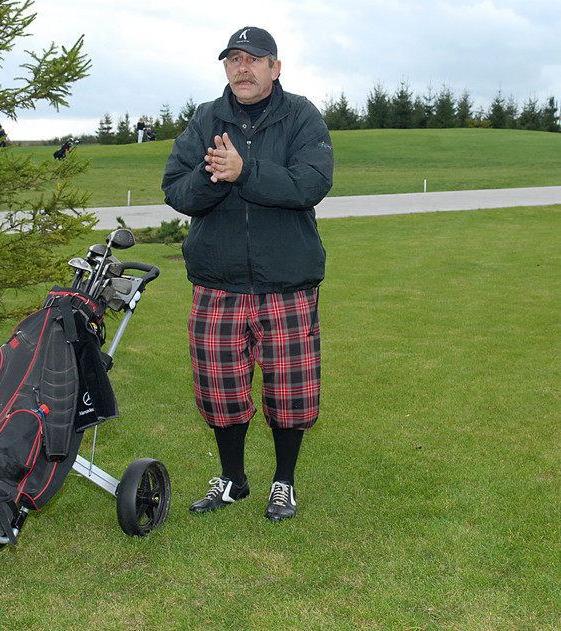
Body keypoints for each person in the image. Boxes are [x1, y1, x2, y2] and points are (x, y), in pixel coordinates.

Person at [161, 26, 333, 522]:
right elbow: (176, 189)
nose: (243, 68)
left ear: (275, 67)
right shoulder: (206, 120)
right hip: (219, 281)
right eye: (234, 59)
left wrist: (246, 170)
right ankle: (233, 480)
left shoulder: (300, 115)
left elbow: (312, 182)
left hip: (287, 282)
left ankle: (284, 483)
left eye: (255, 59)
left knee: (291, 391)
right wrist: (215, 174)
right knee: (220, 391)